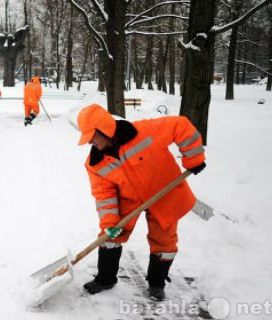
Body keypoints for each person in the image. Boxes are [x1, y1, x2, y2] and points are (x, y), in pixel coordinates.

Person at [76, 104, 206, 301]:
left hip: (164, 191)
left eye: (93, 136)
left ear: (106, 130)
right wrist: (110, 222)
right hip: (128, 199)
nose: (90, 142)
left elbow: (181, 126)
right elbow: (104, 195)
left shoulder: (144, 132)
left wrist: (194, 158)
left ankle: (156, 284)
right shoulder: (95, 163)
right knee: (110, 236)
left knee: (164, 240)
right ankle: (105, 279)